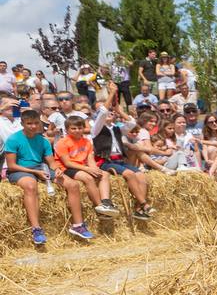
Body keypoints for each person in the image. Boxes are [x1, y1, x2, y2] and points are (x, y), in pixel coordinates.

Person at [5, 109, 94, 243]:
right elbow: (11, 165)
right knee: (31, 185)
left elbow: (52, 163)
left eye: (36, 123)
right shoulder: (13, 139)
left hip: (41, 168)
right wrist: (35, 172)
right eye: (29, 123)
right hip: (20, 170)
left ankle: (78, 225)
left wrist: (57, 170)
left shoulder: (44, 141)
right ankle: (36, 229)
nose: (33, 126)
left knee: (73, 184)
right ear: (22, 123)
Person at [90, 97, 154, 221]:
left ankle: (138, 209)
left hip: (119, 160)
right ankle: (144, 204)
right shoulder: (96, 128)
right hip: (106, 161)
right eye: (106, 111)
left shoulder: (117, 128)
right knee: (129, 174)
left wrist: (120, 111)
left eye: (111, 112)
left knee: (140, 175)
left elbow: (131, 123)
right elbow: (102, 113)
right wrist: (112, 94)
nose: (109, 112)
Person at [55, 112, 120, 219]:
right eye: (73, 128)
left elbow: (90, 159)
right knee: (88, 178)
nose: (77, 131)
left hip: (81, 166)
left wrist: (95, 169)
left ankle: (106, 202)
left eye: (80, 128)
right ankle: (99, 207)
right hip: (66, 168)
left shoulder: (87, 142)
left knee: (104, 174)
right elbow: (67, 163)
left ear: (84, 128)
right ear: (67, 130)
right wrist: (88, 169)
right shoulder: (62, 143)